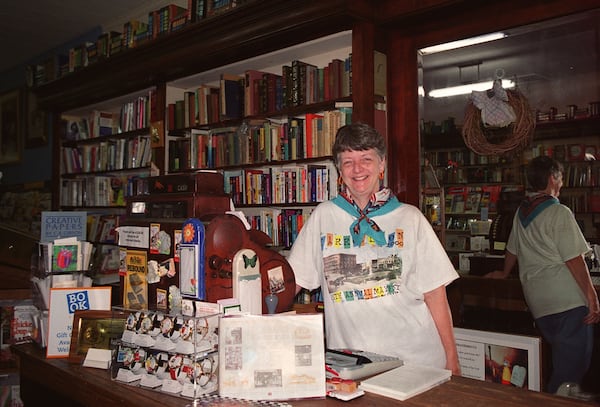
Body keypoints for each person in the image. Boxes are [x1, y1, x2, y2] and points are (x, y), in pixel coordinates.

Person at [287, 122, 461, 375]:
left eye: (366, 159)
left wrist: (452, 358)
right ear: (339, 170)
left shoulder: (410, 219)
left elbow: (436, 294)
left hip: (417, 362)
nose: (357, 169)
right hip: (353, 367)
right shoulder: (324, 217)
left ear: (382, 165)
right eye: (348, 161)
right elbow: (293, 281)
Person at [485, 155, 600, 393]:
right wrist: (591, 296)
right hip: (568, 303)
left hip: (539, 304)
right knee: (572, 371)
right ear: (552, 178)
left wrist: (504, 273)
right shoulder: (559, 212)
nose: (562, 183)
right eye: (560, 178)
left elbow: (512, 250)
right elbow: (573, 258)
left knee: (560, 365)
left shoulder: (522, 212)